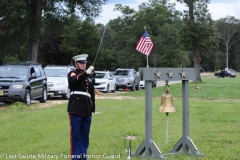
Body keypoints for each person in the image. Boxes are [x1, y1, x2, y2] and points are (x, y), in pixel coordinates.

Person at [67, 54, 95, 160]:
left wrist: (93, 107)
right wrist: (86, 73)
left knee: (85, 134)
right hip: (76, 108)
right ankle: (75, 156)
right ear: (76, 64)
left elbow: (91, 93)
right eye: (81, 63)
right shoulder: (72, 73)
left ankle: (83, 155)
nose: (84, 65)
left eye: (85, 63)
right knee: (75, 134)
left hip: (87, 108)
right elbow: (75, 80)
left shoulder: (88, 76)